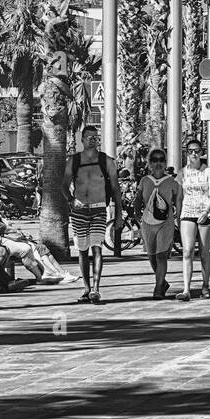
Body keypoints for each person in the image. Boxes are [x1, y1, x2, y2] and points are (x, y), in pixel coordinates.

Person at [0, 181, 74, 285]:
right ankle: (42, 275)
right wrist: (13, 231)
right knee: (26, 248)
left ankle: (49, 273)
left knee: (34, 246)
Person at [62, 125, 123, 304]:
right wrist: (71, 199)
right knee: (82, 249)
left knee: (97, 247)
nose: (93, 140)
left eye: (95, 137)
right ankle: (86, 288)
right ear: (82, 140)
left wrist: (119, 215)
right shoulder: (73, 161)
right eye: (89, 137)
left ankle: (96, 288)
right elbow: (64, 186)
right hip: (79, 211)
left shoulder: (107, 161)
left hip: (98, 209)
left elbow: (116, 189)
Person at [134, 147, 182, 299]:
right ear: (149, 163)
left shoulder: (172, 182)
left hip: (165, 224)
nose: (158, 163)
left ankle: (158, 288)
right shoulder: (144, 180)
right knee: (152, 257)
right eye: (154, 160)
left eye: (161, 159)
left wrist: (179, 220)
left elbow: (178, 202)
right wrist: (136, 215)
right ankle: (163, 282)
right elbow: (138, 199)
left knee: (161, 256)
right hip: (148, 224)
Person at [176, 138, 210, 301]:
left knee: (204, 251)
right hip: (187, 213)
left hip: (205, 213)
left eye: (197, 151)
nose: (194, 154)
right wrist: (179, 216)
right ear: (186, 153)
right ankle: (186, 289)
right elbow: (179, 197)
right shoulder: (182, 172)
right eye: (190, 151)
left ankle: (205, 285)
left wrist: (206, 211)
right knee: (187, 251)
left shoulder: (208, 171)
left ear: (201, 152)